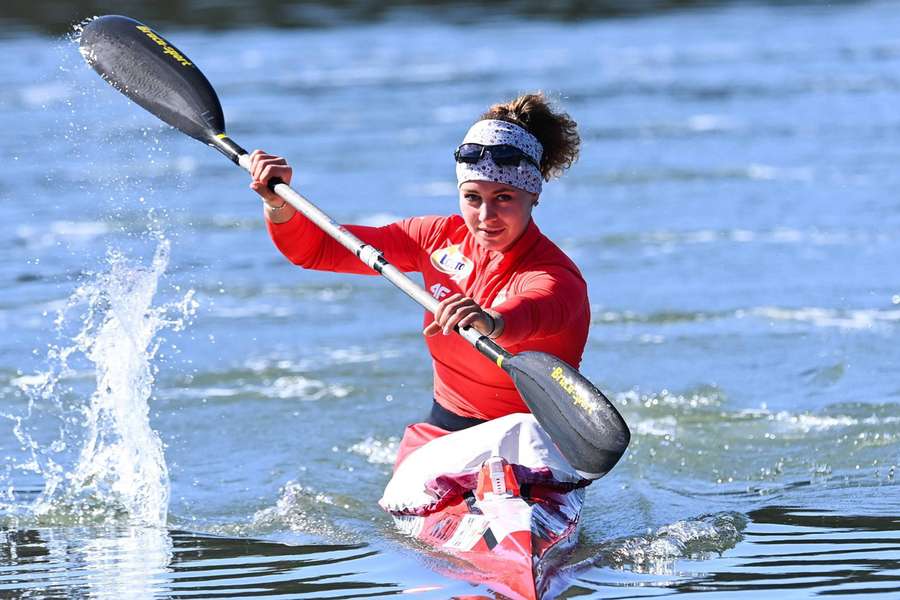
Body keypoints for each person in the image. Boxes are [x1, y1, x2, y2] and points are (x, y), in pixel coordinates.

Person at [249, 92, 588, 464]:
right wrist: (277, 204)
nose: (486, 215)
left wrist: (492, 321)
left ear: (533, 195)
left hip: (531, 441)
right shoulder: (434, 238)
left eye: (504, 197)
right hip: (444, 432)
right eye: (472, 197)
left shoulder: (557, 276)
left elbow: (535, 310)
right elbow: (316, 250)